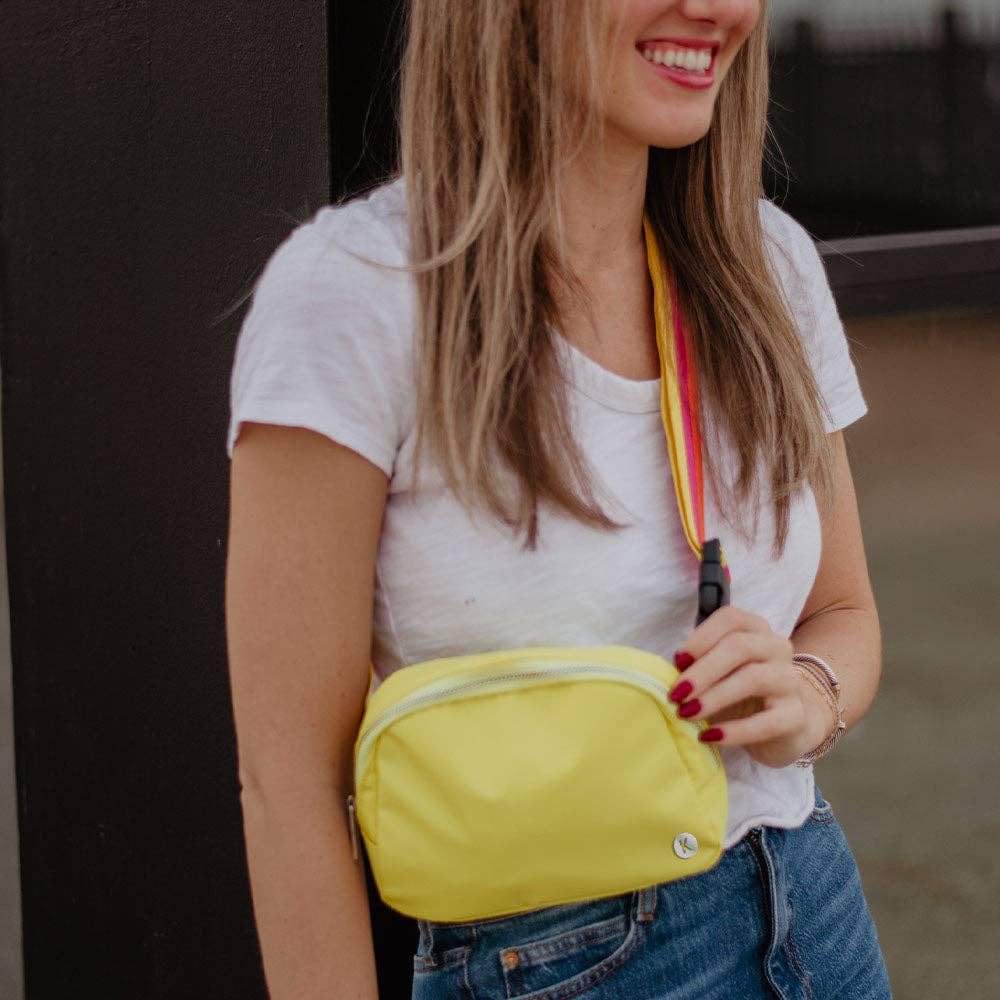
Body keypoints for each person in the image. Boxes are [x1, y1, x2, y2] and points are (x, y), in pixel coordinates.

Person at [224, 0, 893, 997]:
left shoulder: (769, 266)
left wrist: (808, 695)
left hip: (813, 915)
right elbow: (290, 791)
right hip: (561, 962)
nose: (718, 10)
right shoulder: (354, 293)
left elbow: (844, 613)